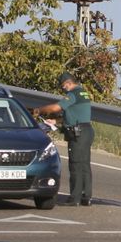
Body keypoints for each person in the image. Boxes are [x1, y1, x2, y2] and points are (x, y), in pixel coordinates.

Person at [35, 73, 94, 205]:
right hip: (86, 130)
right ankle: (86, 196)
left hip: (78, 133)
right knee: (84, 164)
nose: (63, 89)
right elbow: (74, 114)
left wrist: (39, 110)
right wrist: (55, 121)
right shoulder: (83, 93)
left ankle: (75, 198)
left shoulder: (73, 94)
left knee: (76, 165)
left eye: (63, 86)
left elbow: (56, 107)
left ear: (68, 83)